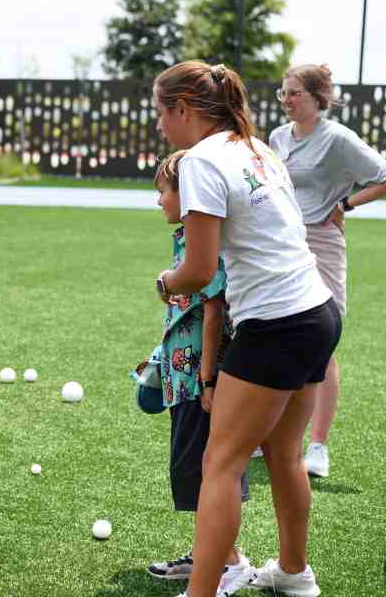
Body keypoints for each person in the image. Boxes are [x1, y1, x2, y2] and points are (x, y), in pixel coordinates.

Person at [152, 62, 342, 597]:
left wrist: (165, 283)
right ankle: (294, 573)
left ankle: (202, 593)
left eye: (161, 114)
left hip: (277, 325)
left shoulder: (201, 161)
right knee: (285, 454)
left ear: (183, 110)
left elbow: (200, 270)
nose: (160, 126)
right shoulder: (258, 148)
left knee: (220, 462)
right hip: (318, 313)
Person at [270, 64, 386, 478]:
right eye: (283, 93)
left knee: (321, 343)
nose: (286, 100)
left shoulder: (338, 138)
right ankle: (271, 434)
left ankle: (318, 447)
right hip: (286, 244)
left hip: (324, 244)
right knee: (275, 333)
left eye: (294, 93)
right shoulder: (277, 138)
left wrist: (344, 206)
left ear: (317, 98)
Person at [144, 150, 254, 596]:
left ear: (184, 194)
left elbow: (212, 315)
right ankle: (210, 554)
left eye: (162, 192)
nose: (158, 201)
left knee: (202, 469)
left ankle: (228, 562)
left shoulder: (199, 243)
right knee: (195, 467)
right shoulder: (186, 237)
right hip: (182, 375)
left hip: (197, 381)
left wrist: (208, 381)